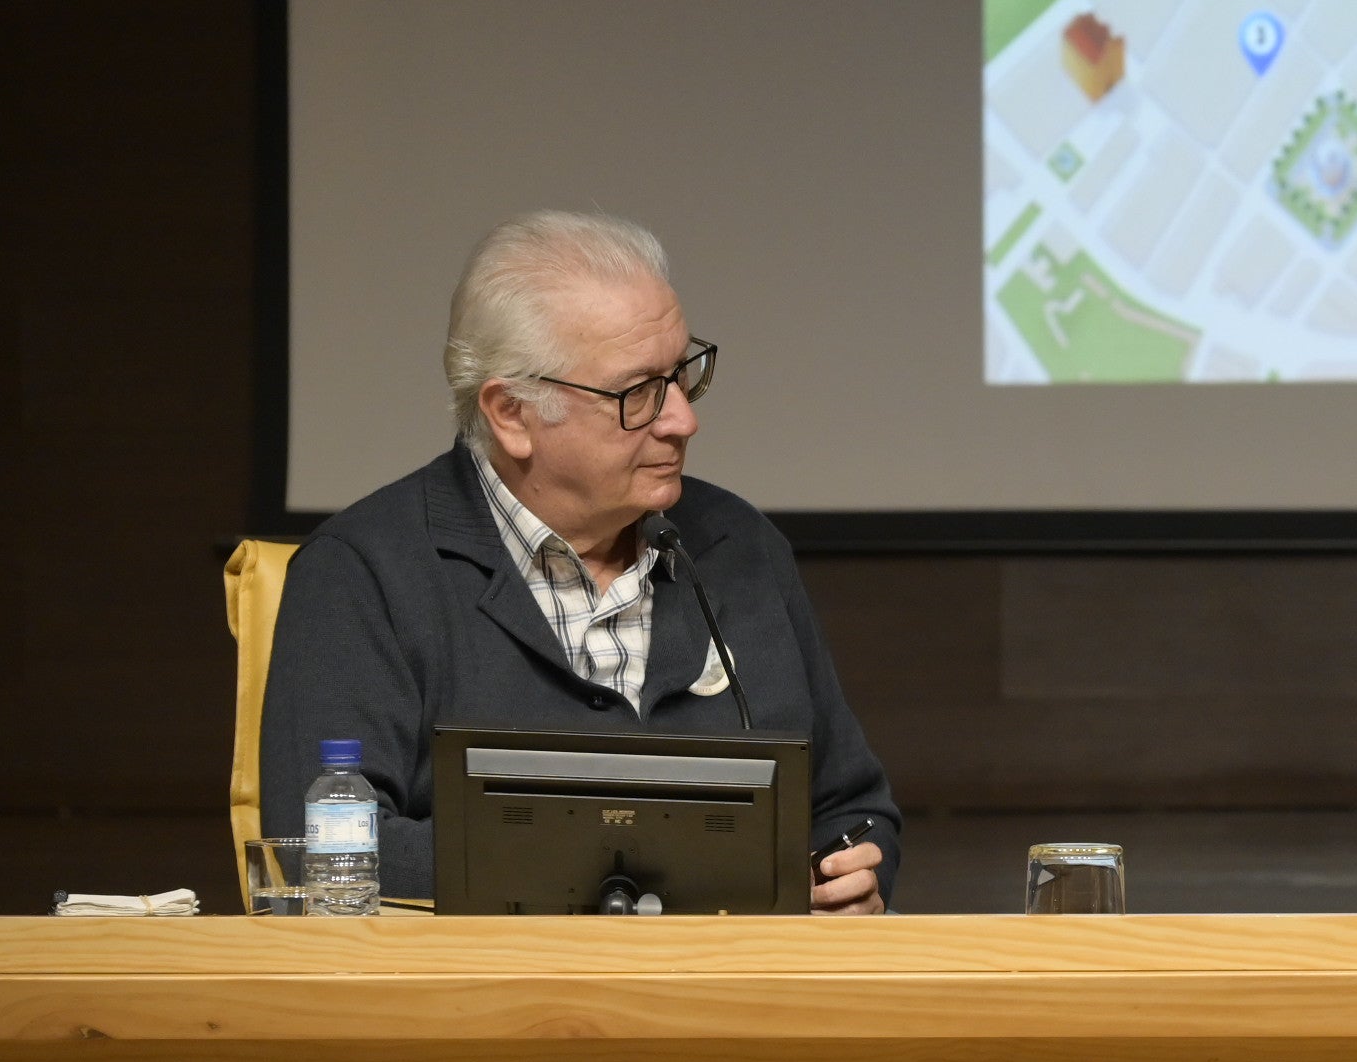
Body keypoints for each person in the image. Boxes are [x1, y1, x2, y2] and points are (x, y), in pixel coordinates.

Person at [259, 211, 898, 911]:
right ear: (511, 414)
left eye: (683, 374)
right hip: (479, 1005)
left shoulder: (737, 548)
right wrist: (630, 877)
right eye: (637, 392)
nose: (682, 419)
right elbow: (328, 851)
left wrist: (853, 878)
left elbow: (852, 807)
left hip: (732, 1000)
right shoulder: (363, 572)